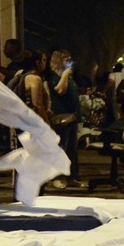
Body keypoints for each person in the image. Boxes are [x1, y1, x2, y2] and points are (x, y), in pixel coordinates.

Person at [47, 49, 84, 188]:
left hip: (72, 116)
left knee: (71, 149)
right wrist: (64, 76)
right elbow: (60, 90)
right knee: (60, 147)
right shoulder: (53, 76)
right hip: (60, 116)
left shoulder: (69, 76)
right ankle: (58, 177)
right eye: (65, 59)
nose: (69, 62)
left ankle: (71, 176)